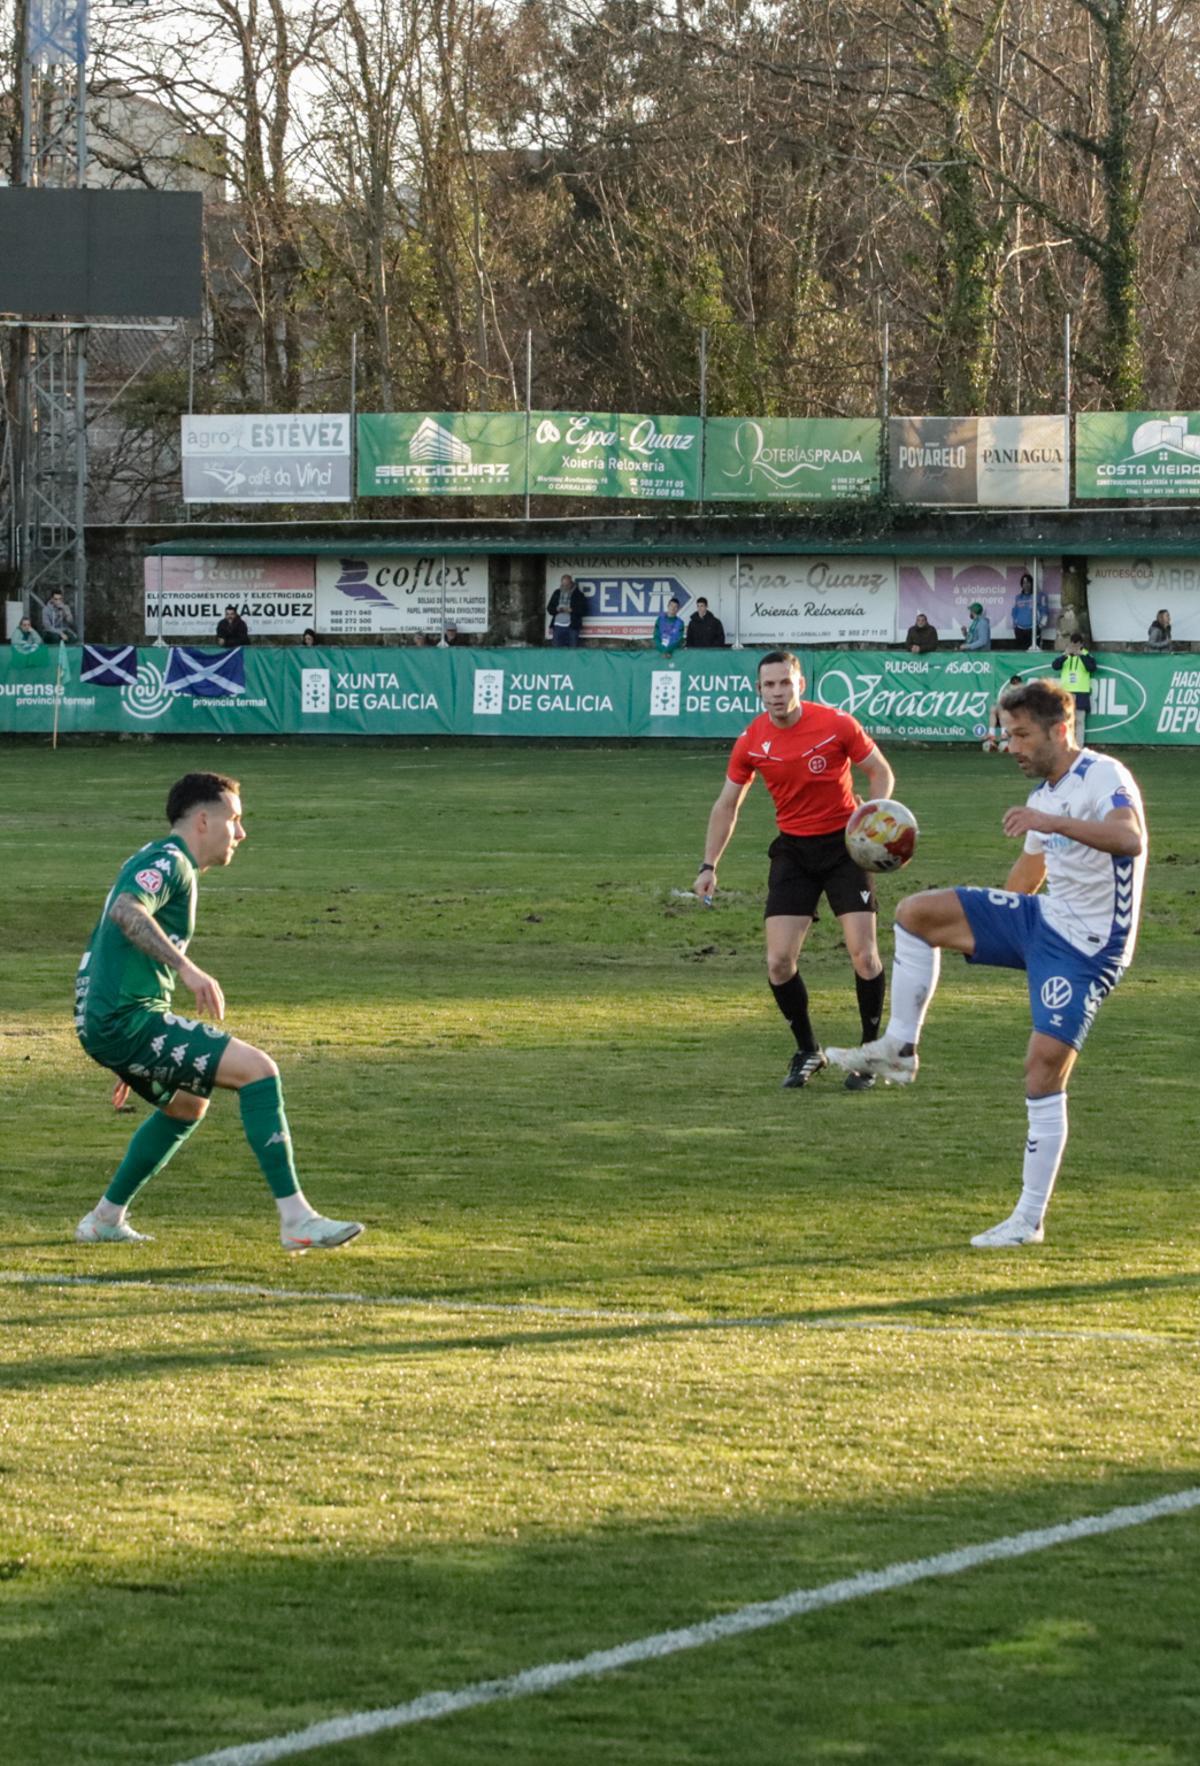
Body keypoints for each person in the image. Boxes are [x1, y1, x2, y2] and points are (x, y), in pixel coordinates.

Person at [828, 679, 1145, 1247]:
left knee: (1041, 1069)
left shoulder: (1103, 776)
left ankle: (1028, 1220)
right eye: (1007, 734)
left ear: (1059, 729)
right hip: (1043, 922)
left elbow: (1130, 839)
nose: (1013, 746)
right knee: (917, 913)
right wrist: (990, 934)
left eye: (1021, 735)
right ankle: (900, 1046)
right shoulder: (1041, 799)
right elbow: (1026, 882)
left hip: (1091, 948)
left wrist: (1054, 826)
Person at [73, 771, 364, 1251]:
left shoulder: (161, 859)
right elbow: (126, 912)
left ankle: (105, 1218)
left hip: (114, 1019)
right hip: (123, 1019)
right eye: (235, 820)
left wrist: (128, 1050)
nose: (242, 833)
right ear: (204, 821)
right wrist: (186, 969)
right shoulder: (171, 861)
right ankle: (297, 1219)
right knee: (259, 1071)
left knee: (186, 1105)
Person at [693, 649, 896, 1092]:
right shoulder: (751, 741)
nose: (777, 692)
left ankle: (869, 1052)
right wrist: (709, 865)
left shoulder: (837, 724)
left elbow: (879, 772)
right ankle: (809, 1049)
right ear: (759, 690)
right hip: (794, 852)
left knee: (864, 955)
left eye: (785, 683)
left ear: (800, 684)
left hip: (845, 848)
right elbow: (728, 805)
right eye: (769, 685)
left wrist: (874, 819)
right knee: (779, 962)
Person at [1051, 632, 1098, 744]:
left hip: (1081, 692)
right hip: (1067, 693)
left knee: (1079, 721)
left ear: (1081, 644)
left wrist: (1080, 654)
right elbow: (1055, 666)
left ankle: (1079, 746)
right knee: (1065, 721)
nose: (1074, 647)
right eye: (1073, 644)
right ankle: (1067, 745)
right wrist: (1065, 655)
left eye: (1077, 644)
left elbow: (1091, 667)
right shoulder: (1066, 655)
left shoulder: (1087, 655)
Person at [983, 675, 1025, 751]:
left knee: (1002, 711)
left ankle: (1004, 736)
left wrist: (1017, 688)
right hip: (1006, 716)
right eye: (1013, 683)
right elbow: (1001, 702)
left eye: (1017, 683)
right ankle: (992, 735)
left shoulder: (1024, 692)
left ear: (1020, 683)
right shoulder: (1008, 692)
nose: (1015, 684)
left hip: (1019, 717)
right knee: (994, 708)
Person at [1010, 573, 1049, 648]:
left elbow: (1045, 612)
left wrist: (1040, 626)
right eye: (1024, 583)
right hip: (1019, 630)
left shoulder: (1040, 596)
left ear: (1032, 583)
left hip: (1033, 629)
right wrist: (1015, 624)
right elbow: (1014, 612)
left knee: (1033, 654)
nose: (1026, 585)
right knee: (1020, 653)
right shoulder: (1018, 597)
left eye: (1028, 582)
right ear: (1021, 584)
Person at [546, 574, 586, 647]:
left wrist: (572, 610)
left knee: (573, 651)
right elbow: (549, 609)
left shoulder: (578, 594)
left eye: (567, 585)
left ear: (571, 583)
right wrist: (557, 609)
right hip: (557, 626)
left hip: (572, 627)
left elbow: (584, 610)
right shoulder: (557, 593)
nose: (565, 587)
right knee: (557, 652)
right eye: (563, 584)